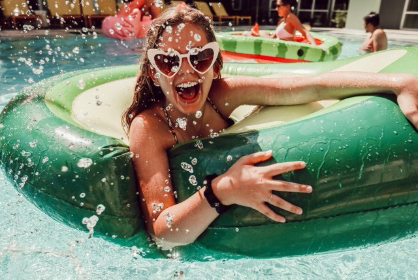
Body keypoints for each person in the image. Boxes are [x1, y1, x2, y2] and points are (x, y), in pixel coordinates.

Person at [123, 6, 418, 248]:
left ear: (215, 65)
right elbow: (163, 232)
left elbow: (306, 87)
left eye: (199, 57)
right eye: (167, 61)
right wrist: (222, 190)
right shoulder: (150, 127)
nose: (186, 70)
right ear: (152, 70)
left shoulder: (220, 96)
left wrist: (397, 83)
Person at [246, 0, 316, 45]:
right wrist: (257, 35)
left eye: (278, 6)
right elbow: (273, 37)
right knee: (247, 33)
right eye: (275, 6)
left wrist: (315, 46)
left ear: (287, 6)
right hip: (278, 48)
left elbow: (305, 32)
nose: (276, 9)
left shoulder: (290, 17)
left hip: (289, 52)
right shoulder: (282, 21)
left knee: (247, 34)